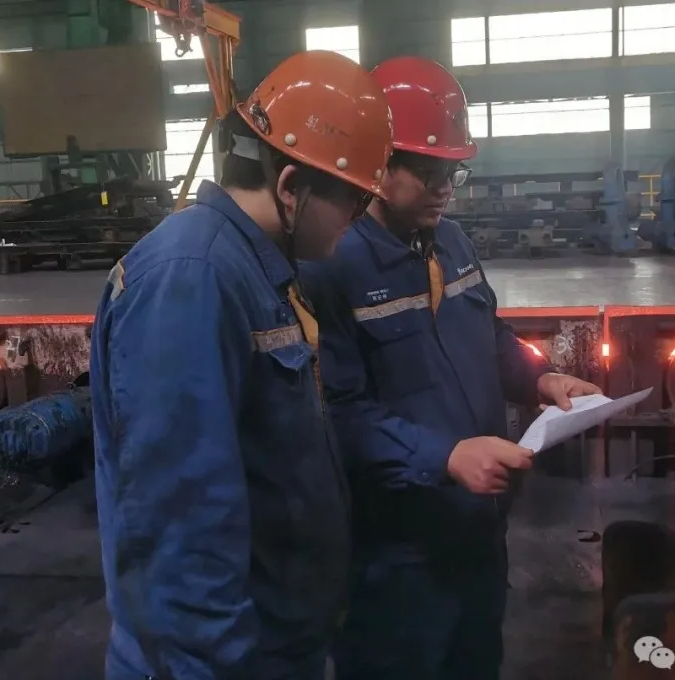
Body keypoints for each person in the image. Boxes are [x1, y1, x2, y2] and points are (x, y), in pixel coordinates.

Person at [88, 50, 393, 680]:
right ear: (291, 187)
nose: (359, 221)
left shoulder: (256, 269)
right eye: (355, 202)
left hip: (275, 645)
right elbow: (180, 527)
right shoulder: (192, 278)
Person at [300, 56, 604, 680]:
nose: (444, 187)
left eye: (453, 172)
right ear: (377, 164)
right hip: (395, 557)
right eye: (427, 170)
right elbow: (336, 415)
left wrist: (539, 378)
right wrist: (444, 457)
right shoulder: (333, 267)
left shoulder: (453, 243)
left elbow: (491, 337)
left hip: (478, 536)